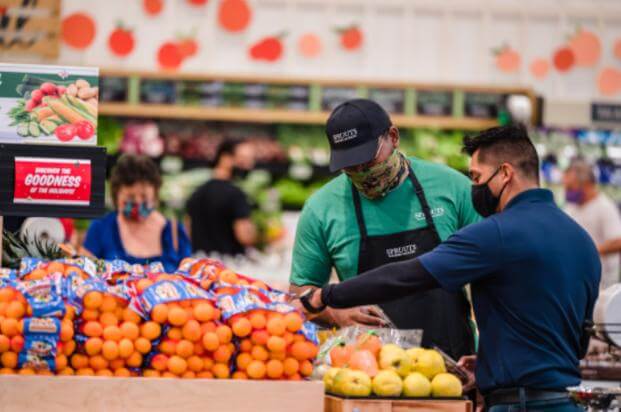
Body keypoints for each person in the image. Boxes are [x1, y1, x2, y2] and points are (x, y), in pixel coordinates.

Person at [294, 125, 600, 412]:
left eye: (478, 178)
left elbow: (408, 275)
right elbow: (575, 339)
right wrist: (490, 364)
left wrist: (326, 295)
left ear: (505, 173)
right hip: (564, 399)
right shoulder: (582, 241)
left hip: (516, 403)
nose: (475, 188)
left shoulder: (495, 233)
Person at [289, 99, 480, 360]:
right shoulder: (321, 209)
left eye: (367, 161)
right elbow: (300, 292)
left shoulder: (454, 188)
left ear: (393, 136)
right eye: (350, 166)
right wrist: (337, 314)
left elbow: (494, 273)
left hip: (456, 366)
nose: (361, 173)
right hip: (369, 372)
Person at [83, 154, 191, 272]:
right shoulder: (100, 229)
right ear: (116, 195)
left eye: (144, 196)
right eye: (130, 197)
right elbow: (84, 273)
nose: (138, 202)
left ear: (155, 194)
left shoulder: (174, 233)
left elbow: (188, 277)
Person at [186, 139, 257, 256]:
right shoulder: (236, 195)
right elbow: (244, 236)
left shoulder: (197, 192)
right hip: (229, 267)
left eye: (250, 160)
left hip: (201, 265)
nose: (249, 165)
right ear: (225, 158)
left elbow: (188, 230)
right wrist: (265, 237)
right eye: (243, 160)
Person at [564, 158, 621, 289]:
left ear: (587, 184)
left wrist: (591, 251)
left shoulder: (605, 207)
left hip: (602, 284)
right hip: (577, 280)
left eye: (570, 187)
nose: (567, 192)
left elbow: (618, 241)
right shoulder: (571, 207)